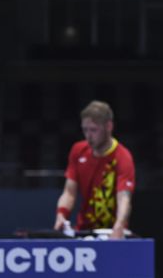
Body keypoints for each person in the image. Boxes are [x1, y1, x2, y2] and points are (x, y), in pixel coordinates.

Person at [54, 100, 135, 239]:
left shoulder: (123, 156)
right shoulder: (77, 150)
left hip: (113, 231)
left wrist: (119, 225)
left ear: (108, 126)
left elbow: (124, 198)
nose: (88, 136)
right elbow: (69, 192)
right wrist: (61, 214)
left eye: (93, 130)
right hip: (84, 231)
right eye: (85, 130)